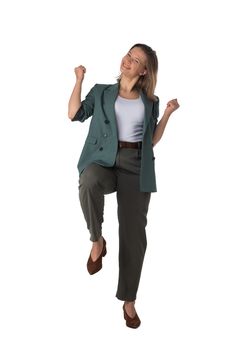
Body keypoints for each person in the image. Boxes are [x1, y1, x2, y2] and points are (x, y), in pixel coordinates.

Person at [68, 43, 180, 328]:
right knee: (89, 181)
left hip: (136, 165)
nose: (129, 60)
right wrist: (79, 80)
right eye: (129, 54)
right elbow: (73, 114)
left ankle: (129, 299)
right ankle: (97, 240)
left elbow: (150, 140)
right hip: (103, 159)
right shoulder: (102, 91)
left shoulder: (149, 101)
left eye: (137, 60)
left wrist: (166, 114)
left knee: (134, 234)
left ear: (144, 71)